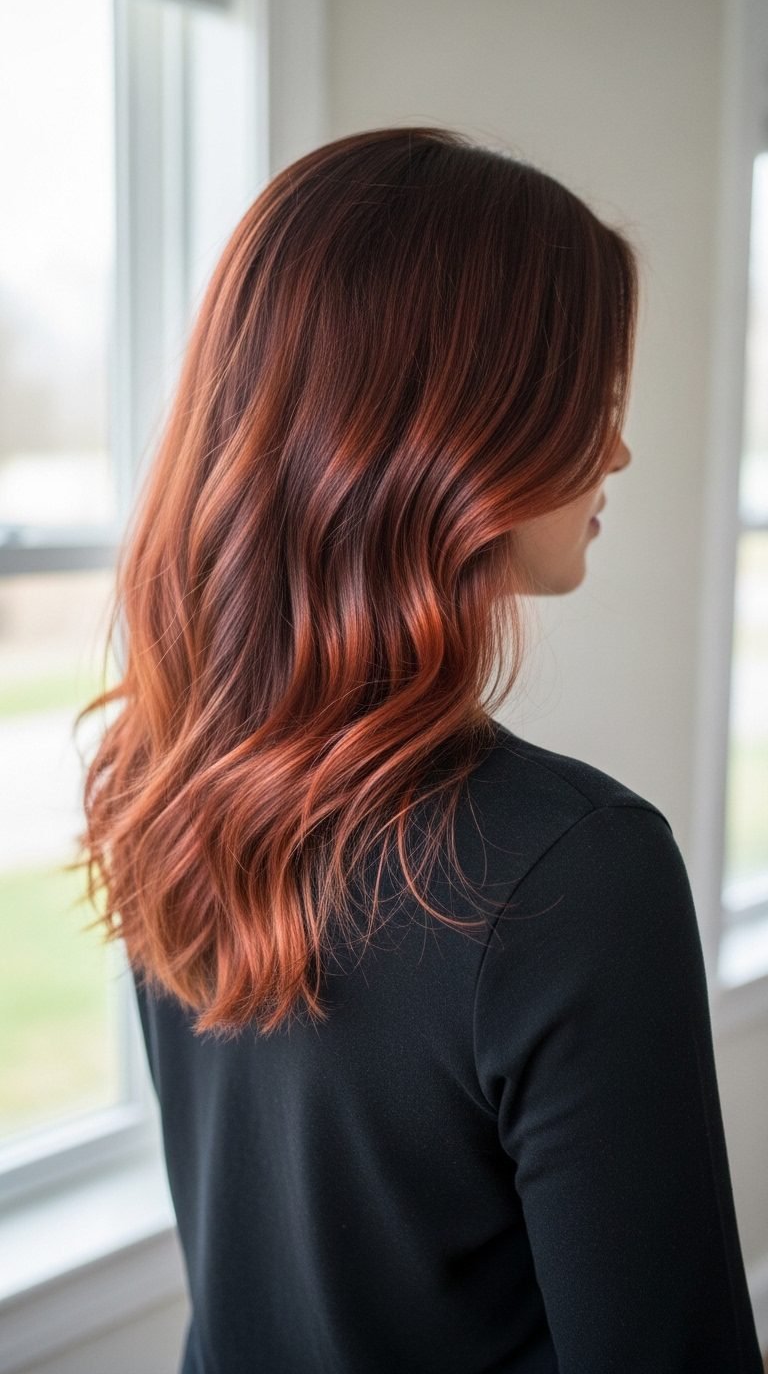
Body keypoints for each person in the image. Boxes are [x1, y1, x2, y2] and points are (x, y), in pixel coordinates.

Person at [72, 126, 764, 1372]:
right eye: (589, 399)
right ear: (460, 430)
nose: (616, 449)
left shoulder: (154, 773)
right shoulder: (573, 871)